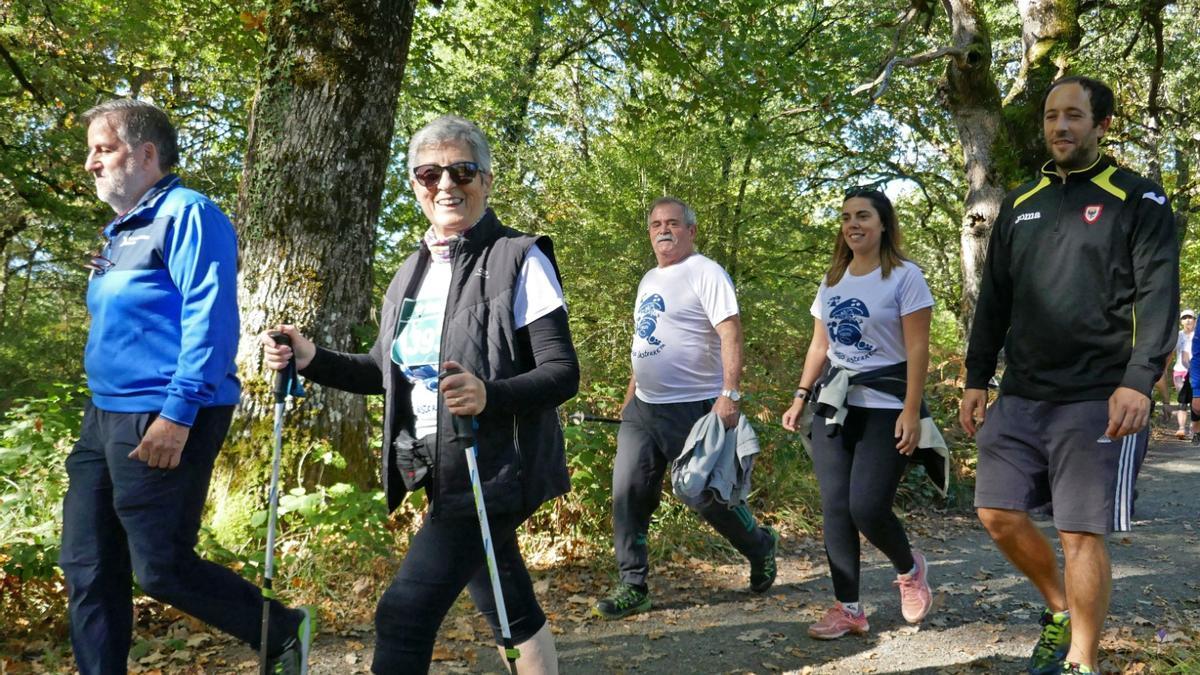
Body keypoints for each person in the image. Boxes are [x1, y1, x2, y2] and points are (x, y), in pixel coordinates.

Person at [261, 115, 577, 674]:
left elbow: (562, 372)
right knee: (504, 597)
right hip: (435, 463)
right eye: (429, 174)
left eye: (462, 171)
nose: (446, 185)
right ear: (415, 185)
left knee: (404, 614)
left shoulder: (520, 258)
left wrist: (489, 394)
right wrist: (312, 360)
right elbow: (384, 371)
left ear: (487, 181)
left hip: (496, 465)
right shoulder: (410, 272)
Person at [60, 99, 311, 675]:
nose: (91, 164)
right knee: (88, 564)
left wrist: (178, 414)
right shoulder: (122, 229)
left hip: (164, 413)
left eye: (104, 149)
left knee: (160, 569)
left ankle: (280, 628)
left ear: (146, 153)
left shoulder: (189, 214)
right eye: (91, 152)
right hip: (103, 418)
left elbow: (212, 319)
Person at [960, 76, 1178, 675]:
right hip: (1023, 392)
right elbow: (995, 298)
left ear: (1102, 124)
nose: (1060, 126)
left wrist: (1139, 378)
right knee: (997, 512)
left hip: (1098, 396)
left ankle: (1082, 660)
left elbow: (1159, 292)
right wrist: (978, 376)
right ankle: (1060, 608)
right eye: (1053, 116)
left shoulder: (1138, 198)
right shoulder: (1022, 202)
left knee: (1081, 533)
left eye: (1074, 116)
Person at [591, 197, 778, 621]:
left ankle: (760, 545)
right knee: (628, 494)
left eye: (673, 223)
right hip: (643, 409)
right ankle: (633, 584)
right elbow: (647, 339)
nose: (664, 230)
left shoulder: (706, 272)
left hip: (693, 407)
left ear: (691, 231)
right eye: (656, 223)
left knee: (706, 496)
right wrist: (630, 393)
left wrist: (730, 394)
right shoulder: (648, 279)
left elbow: (730, 331)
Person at [781, 188, 936, 639]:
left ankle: (910, 571)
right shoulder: (833, 279)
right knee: (835, 507)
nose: (853, 224)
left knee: (867, 506)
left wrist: (911, 410)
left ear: (883, 223)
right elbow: (819, 344)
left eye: (863, 215)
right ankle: (849, 608)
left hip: (887, 404)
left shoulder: (905, 277)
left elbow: (917, 348)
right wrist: (799, 395)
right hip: (835, 403)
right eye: (847, 217)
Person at [1171, 309, 1196, 438]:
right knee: (1182, 400)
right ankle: (1181, 429)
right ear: (1181, 321)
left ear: (1195, 320)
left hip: (1196, 372)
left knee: (1195, 401)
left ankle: (1194, 429)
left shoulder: (1197, 335)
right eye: (1184, 317)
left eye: (1190, 317)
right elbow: (1170, 354)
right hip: (1180, 371)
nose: (1187, 320)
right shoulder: (1177, 336)